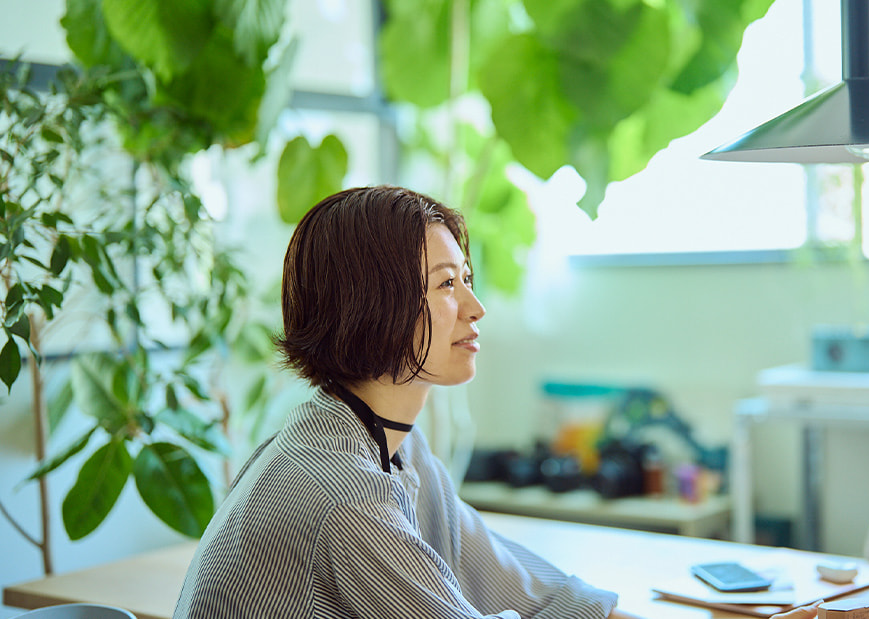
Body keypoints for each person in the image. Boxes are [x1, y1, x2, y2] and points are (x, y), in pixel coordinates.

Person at [173, 185, 826, 619]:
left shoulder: (385, 445)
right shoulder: (346, 496)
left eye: (468, 280)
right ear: (373, 305)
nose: (476, 307)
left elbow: (516, 583)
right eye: (447, 284)